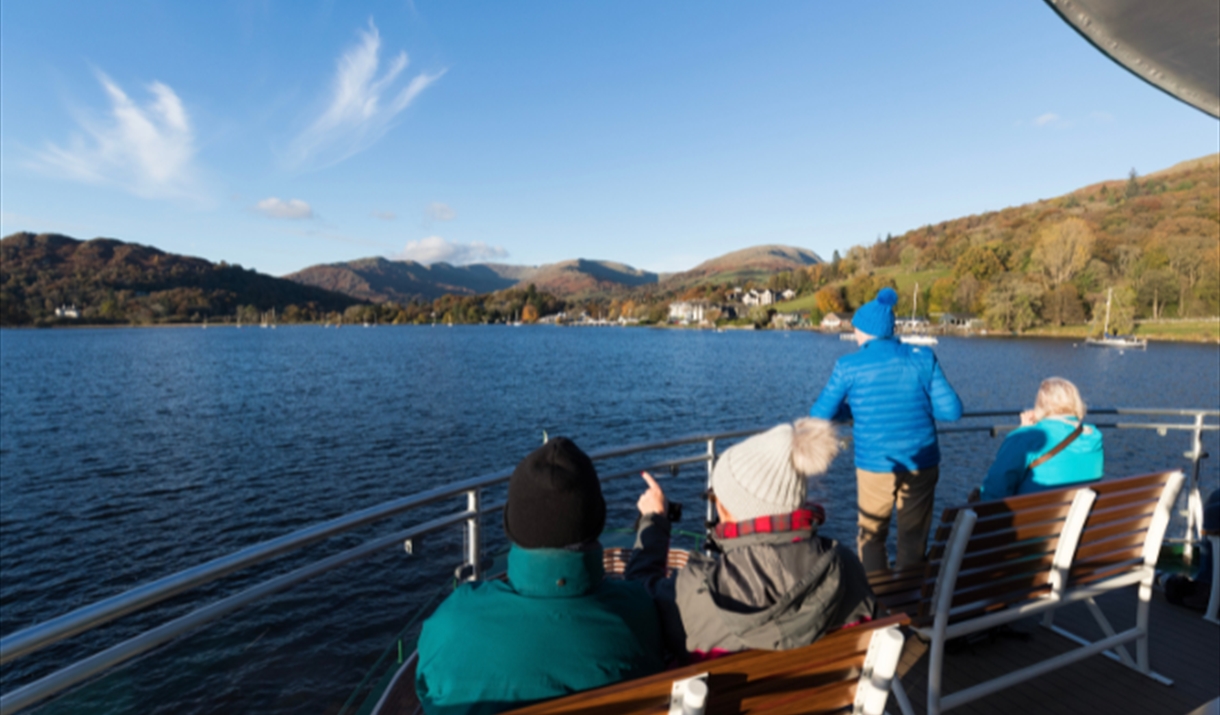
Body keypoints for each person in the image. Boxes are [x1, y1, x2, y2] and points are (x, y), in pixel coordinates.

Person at [415, 438, 664, 715]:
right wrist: (654, 524)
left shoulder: (452, 622)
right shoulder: (640, 617)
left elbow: (425, 689)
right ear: (598, 520)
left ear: (509, 524)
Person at [625, 418, 876, 662]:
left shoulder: (699, 591)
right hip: (835, 699)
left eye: (716, 499)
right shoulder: (846, 567)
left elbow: (638, 603)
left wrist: (654, 520)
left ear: (727, 510)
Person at [809, 287, 962, 573]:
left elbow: (819, 414)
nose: (854, 335)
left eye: (856, 330)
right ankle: (908, 601)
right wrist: (917, 405)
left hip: (876, 465)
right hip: (923, 461)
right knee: (914, 537)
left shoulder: (848, 366)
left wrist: (853, 410)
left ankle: (877, 600)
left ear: (866, 331)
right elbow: (952, 411)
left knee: (872, 535)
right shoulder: (923, 357)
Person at [978, 378, 1103, 500]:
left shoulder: (1024, 438)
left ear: (1041, 404)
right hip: (1079, 517)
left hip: (1033, 519)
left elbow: (994, 491)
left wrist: (1022, 432)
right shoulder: (1094, 438)